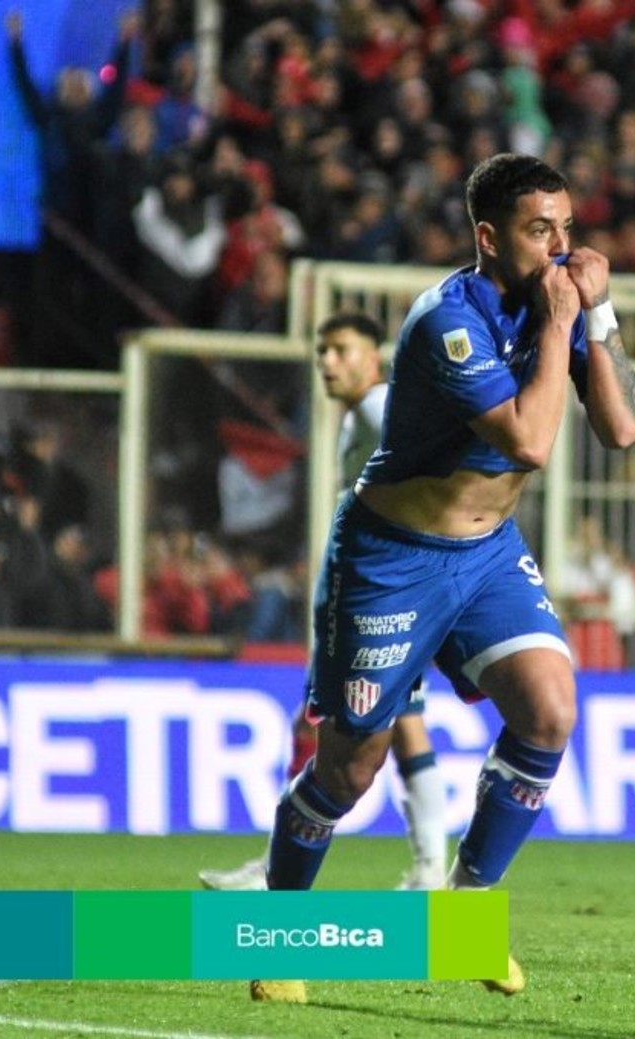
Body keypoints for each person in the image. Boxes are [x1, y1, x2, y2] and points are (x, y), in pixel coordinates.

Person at [251, 153, 635, 1004]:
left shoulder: (562, 301)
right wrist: (559, 321)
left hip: (488, 552)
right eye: (541, 231)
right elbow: (530, 442)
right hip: (393, 558)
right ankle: (276, 935)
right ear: (487, 236)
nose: (560, 247)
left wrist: (600, 314)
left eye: (567, 228)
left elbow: (619, 428)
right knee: (347, 772)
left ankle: (462, 917)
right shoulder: (447, 320)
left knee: (549, 705)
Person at [199, 312, 452, 893]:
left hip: (387, 595)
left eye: (340, 350)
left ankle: (280, 872)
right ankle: (428, 869)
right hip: (378, 592)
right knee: (388, 727)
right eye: (322, 352)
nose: (328, 362)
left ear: (373, 356)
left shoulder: (378, 407)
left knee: (338, 728)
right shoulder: (354, 419)